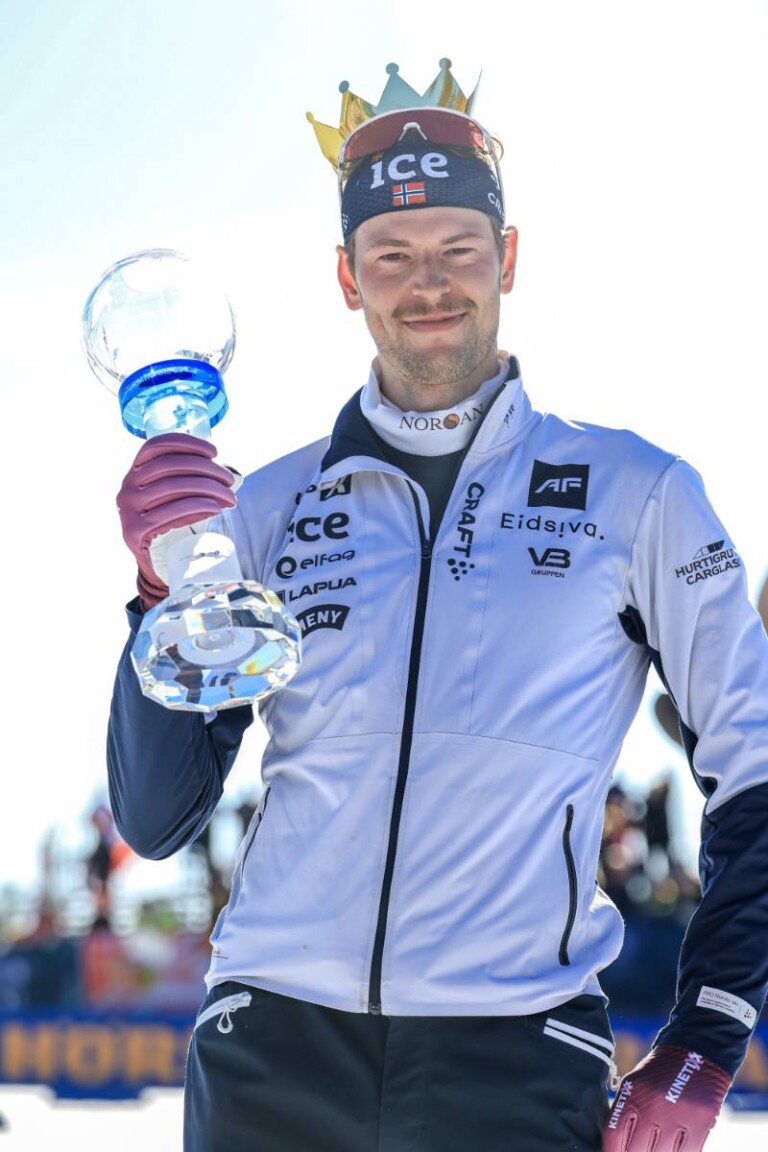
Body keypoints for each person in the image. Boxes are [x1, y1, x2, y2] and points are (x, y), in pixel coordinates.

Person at [108, 60, 768, 1151]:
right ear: (346, 275)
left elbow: (754, 771)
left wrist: (708, 1036)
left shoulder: (639, 493)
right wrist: (154, 596)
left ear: (508, 256)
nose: (429, 284)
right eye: (392, 255)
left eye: (460, 248)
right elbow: (157, 816)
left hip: (514, 1058)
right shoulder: (262, 507)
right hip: (269, 1051)